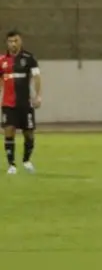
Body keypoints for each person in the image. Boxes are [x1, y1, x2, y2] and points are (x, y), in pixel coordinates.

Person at [1, 30, 41, 175]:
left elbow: (37, 77)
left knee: (29, 133)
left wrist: (38, 96)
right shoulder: (2, 60)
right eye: (10, 41)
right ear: (7, 43)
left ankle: (26, 161)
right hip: (8, 103)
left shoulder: (29, 58)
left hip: (25, 103)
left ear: (20, 41)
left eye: (15, 41)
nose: (13, 44)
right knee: (9, 130)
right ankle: (11, 165)